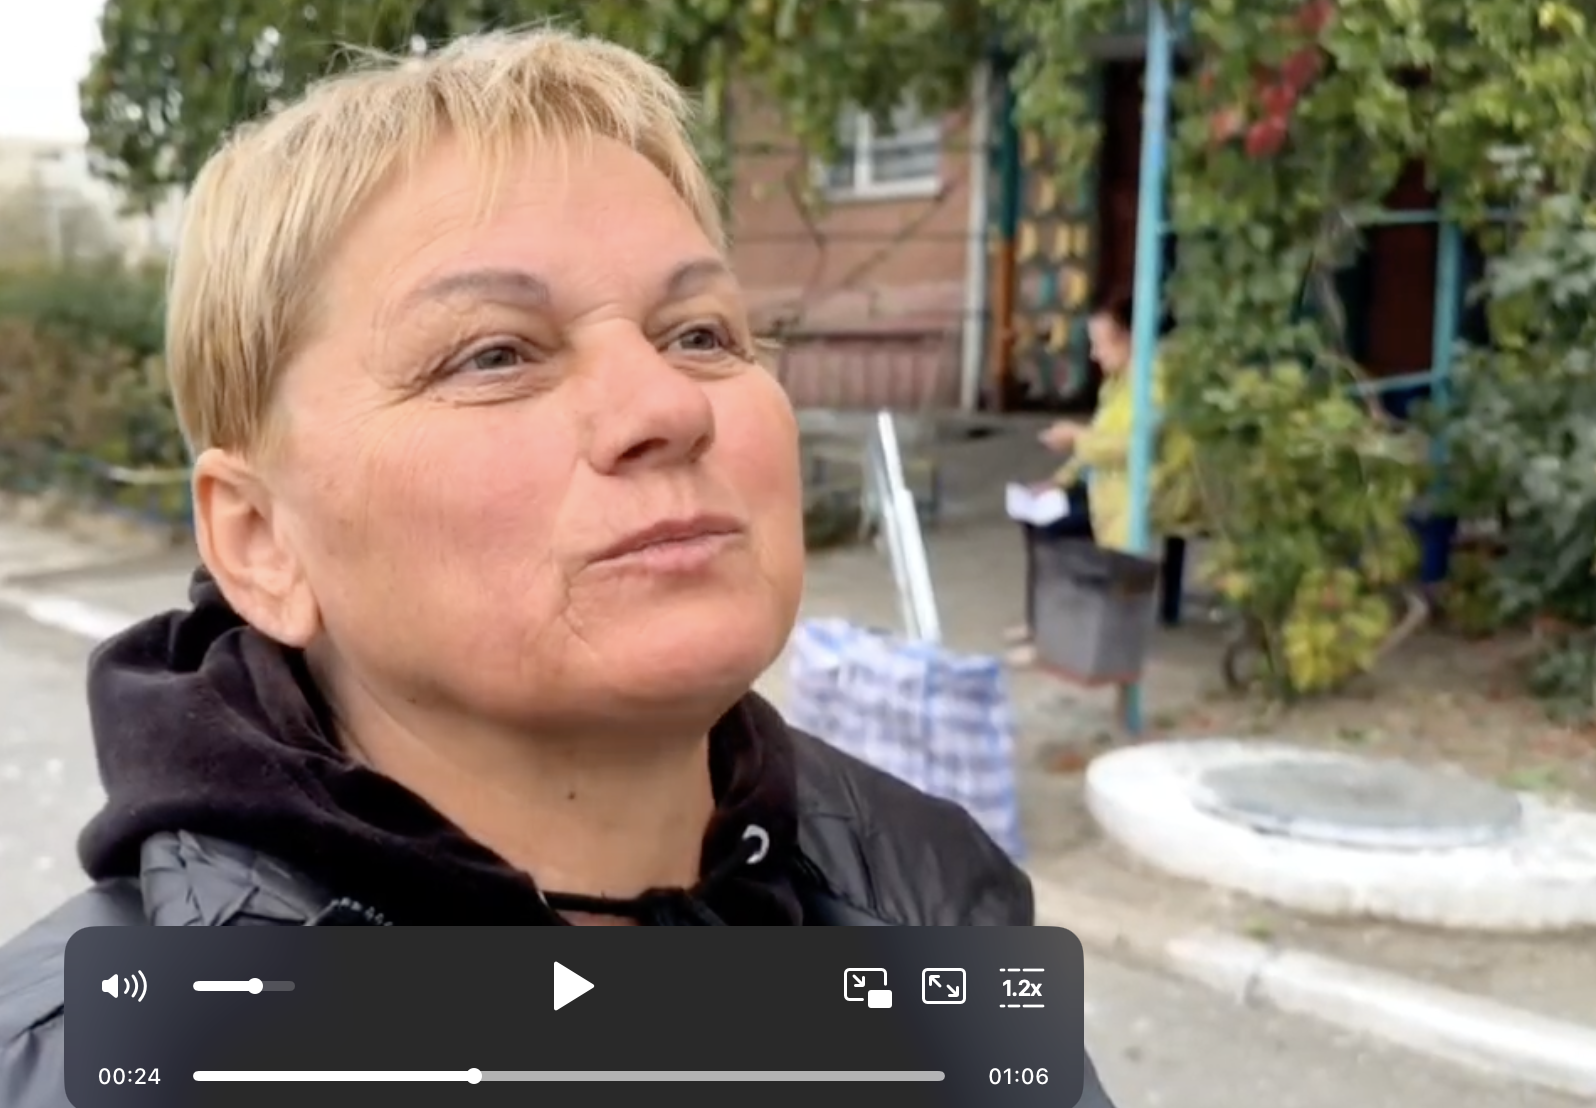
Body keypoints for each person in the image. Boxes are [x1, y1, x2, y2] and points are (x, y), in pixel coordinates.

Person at [0, 28, 1117, 1107]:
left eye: (700, 334)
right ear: (259, 540)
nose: (668, 405)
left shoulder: (932, 900)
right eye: (495, 353)